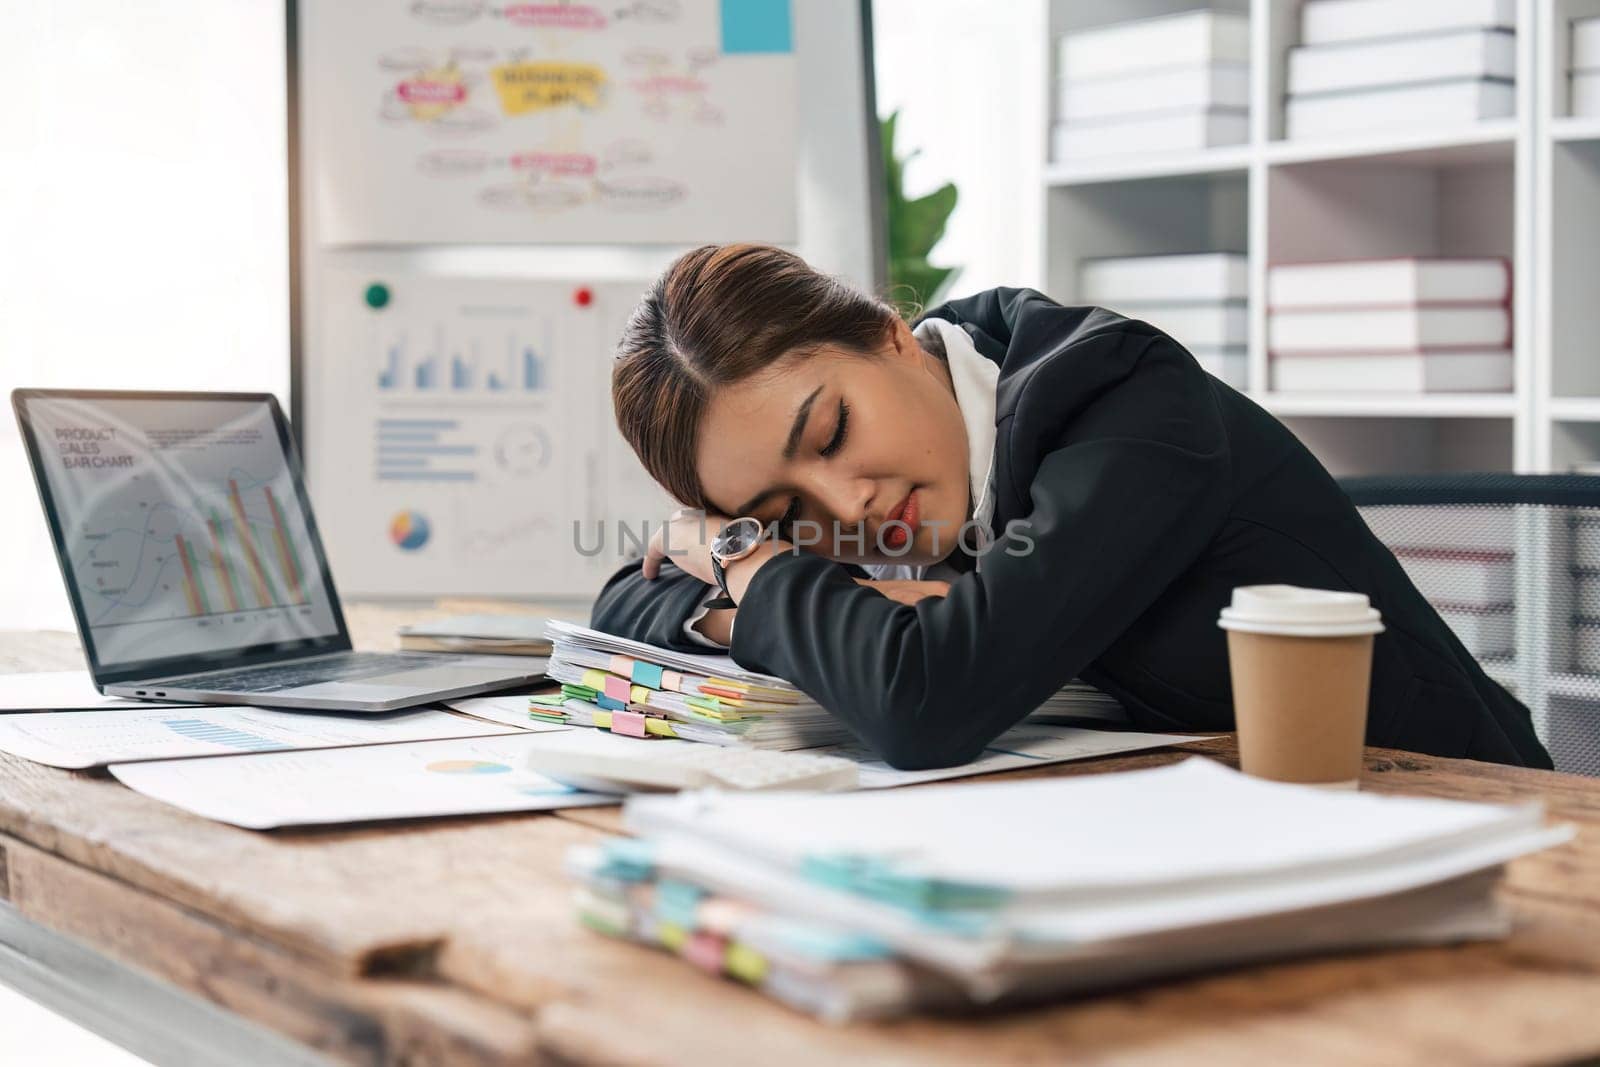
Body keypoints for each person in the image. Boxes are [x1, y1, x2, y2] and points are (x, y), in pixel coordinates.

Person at [591, 243, 1551, 771]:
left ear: (890, 335)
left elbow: (928, 701)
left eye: (833, 432)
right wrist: (757, 587)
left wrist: (754, 568)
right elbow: (620, 608)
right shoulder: (906, 477)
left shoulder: (1118, 398)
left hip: (1458, 817)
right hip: (1205, 825)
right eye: (778, 508)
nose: (843, 504)